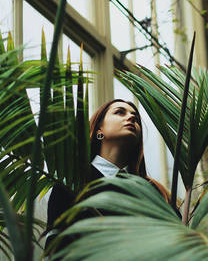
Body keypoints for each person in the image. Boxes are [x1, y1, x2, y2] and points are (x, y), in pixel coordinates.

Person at [45, 99, 171, 255]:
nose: (131, 117)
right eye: (119, 112)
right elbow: (56, 250)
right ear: (99, 129)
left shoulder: (154, 191)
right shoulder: (71, 184)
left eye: (136, 118)